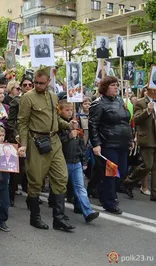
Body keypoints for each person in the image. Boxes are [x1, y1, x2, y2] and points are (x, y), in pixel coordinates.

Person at [17, 67, 77, 232]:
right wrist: (23, 144)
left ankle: (59, 218)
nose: (37, 85)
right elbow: (22, 122)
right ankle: (35, 217)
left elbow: (55, 118)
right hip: (36, 141)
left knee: (61, 177)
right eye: (36, 82)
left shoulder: (52, 97)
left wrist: (67, 124)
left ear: (48, 82)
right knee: (35, 180)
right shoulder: (28, 98)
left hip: (54, 141)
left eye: (41, 83)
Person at [89, 76, 133, 214]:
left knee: (123, 171)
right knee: (111, 173)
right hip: (108, 143)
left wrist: (130, 140)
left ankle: (98, 190)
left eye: (117, 85)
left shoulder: (120, 101)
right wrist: (96, 144)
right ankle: (109, 201)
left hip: (122, 143)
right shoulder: (99, 104)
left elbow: (126, 122)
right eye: (113, 85)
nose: (116, 87)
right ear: (105, 87)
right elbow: (93, 125)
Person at [57, 100, 100, 223]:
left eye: (71, 110)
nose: (70, 112)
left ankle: (88, 212)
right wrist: (68, 136)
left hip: (76, 162)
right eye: (67, 110)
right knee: (60, 188)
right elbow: (56, 142)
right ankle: (57, 209)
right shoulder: (59, 125)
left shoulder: (76, 124)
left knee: (80, 187)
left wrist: (84, 160)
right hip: (63, 162)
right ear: (60, 111)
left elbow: (81, 145)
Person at [124, 88, 156, 202]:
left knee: (155, 168)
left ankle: (154, 194)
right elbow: (136, 119)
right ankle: (129, 181)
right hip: (147, 138)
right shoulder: (141, 102)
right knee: (147, 165)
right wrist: (147, 111)